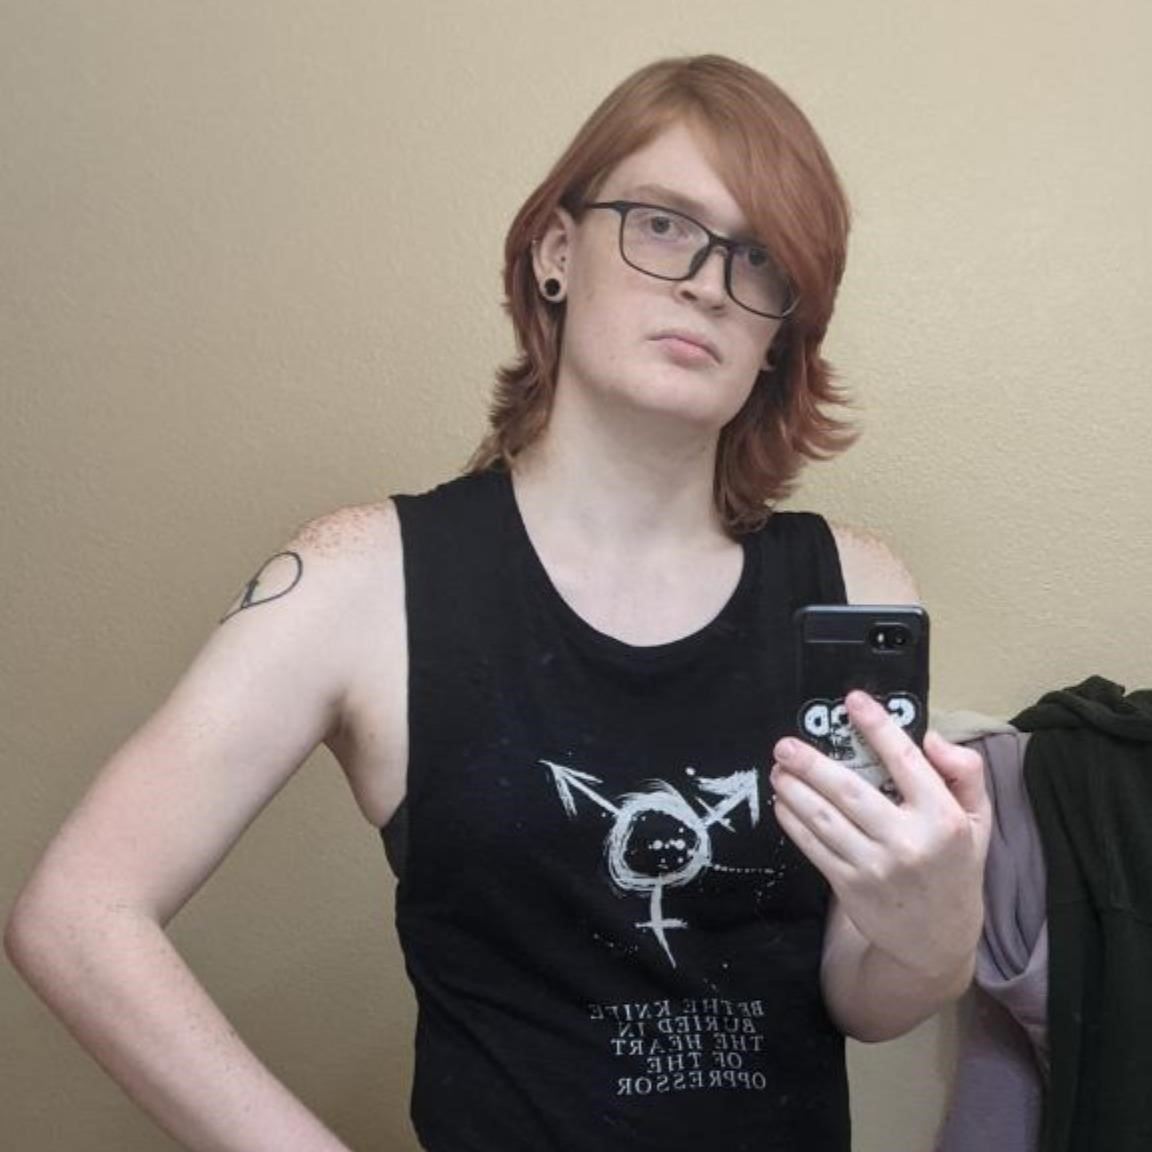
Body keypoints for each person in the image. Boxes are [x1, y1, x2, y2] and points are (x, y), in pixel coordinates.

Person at [5, 54, 991, 1152]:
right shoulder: (363, 577)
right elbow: (78, 914)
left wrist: (940, 929)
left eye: (759, 257)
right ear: (557, 252)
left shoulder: (855, 590)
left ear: (779, 333)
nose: (709, 283)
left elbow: (863, 1001)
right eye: (663, 224)